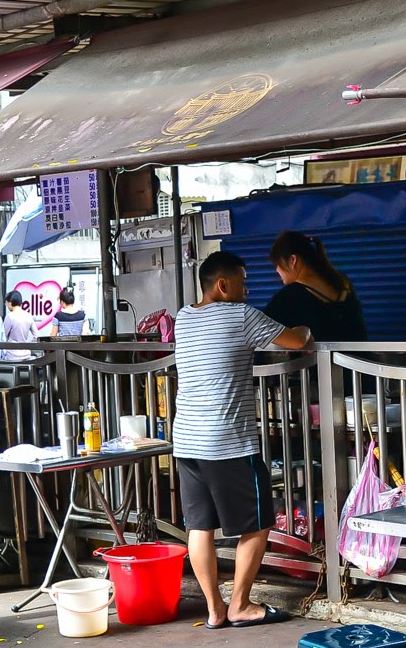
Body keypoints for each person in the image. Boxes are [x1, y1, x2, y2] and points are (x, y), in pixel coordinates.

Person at [173, 251, 311, 630]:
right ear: (222, 285)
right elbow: (295, 341)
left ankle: (215, 610)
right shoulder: (240, 315)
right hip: (227, 441)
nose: (247, 291)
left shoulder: (183, 318)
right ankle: (240, 605)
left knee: (200, 527)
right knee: (259, 521)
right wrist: (308, 328)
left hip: (186, 440)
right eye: (243, 283)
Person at [263, 231, 366, 342]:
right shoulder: (343, 283)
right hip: (358, 358)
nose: (277, 269)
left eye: (277, 264)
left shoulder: (290, 296)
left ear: (293, 260)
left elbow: (260, 330)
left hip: (320, 359)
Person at [3, 290, 38, 361]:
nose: (6, 305)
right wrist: (29, 345)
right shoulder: (28, 315)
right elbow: (37, 335)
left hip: (12, 355)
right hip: (26, 354)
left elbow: (4, 336)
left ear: (10, 302)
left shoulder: (9, 316)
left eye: (6, 303)